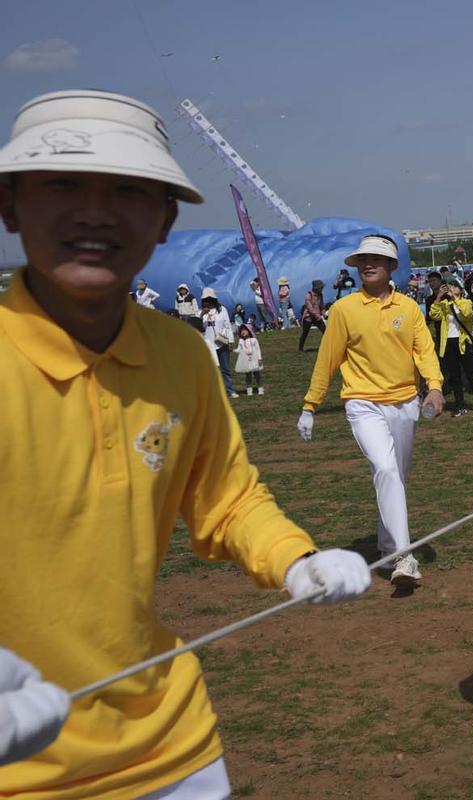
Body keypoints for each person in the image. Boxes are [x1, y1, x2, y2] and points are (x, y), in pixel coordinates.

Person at [0, 87, 371, 798]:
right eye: (63, 184)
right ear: (10, 205)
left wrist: (296, 559)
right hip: (23, 769)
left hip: (172, 743)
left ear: (167, 218)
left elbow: (226, 499)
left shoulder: (182, 354)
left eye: (130, 191)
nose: (95, 212)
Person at [301, 234, 444, 583]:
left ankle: (385, 546)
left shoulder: (409, 308)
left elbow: (424, 350)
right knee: (385, 468)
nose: (368, 265)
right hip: (362, 403)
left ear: (392, 267)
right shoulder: (344, 310)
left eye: (376, 260)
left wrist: (435, 387)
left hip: (406, 402)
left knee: (395, 476)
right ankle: (403, 557)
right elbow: (328, 359)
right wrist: (310, 405)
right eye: (363, 260)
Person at [429, 278, 473, 417]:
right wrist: (439, 297)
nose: (451, 288)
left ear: (460, 288)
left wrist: (455, 299)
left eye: (453, 286)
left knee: (471, 375)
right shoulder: (445, 304)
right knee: (454, 376)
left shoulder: (466, 302)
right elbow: (434, 315)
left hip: (464, 342)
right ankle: (460, 405)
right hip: (449, 343)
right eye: (449, 286)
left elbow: (467, 314)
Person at [200, 287, 239, 400]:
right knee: (212, 370)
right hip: (208, 344)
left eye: (209, 299)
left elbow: (227, 325)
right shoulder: (201, 312)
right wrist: (202, 314)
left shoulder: (222, 310)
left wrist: (231, 341)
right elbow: (199, 326)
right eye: (205, 299)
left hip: (221, 343)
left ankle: (230, 390)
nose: (207, 301)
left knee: (225, 368)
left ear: (213, 299)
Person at [235, 322, 264, 396]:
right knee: (248, 375)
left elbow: (258, 349)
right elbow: (239, 349)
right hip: (246, 360)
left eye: (245, 330)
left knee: (257, 374)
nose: (243, 332)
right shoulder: (241, 341)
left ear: (249, 331)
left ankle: (260, 389)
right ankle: (249, 390)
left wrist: (259, 358)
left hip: (254, 359)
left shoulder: (254, 340)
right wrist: (232, 350)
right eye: (241, 331)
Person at [298, 278, 326, 351]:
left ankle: (327, 346)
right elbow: (310, 308)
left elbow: (322, 306)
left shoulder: (320, 295)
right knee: (305, 333)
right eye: (321, 287)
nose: (322, 289)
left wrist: (324, 314)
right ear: (317, 288)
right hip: (308, 317)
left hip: (317, 317)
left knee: (325, 331)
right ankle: (300, 348)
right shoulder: (308, 295)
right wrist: (318, 316)